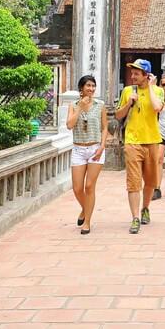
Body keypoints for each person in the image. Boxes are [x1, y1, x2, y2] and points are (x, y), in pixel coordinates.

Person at [115, 58, 164, 233]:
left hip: (152, 140)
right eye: (132, 72)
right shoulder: (128, 91)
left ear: (146, 75)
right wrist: (129, 103)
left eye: (137, 73)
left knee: (150, 181)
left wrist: (150, 86)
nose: (133, 76)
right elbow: (118, 115)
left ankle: (145, 208)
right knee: (133, 182)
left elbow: (157, 107)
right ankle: (135, 217)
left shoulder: (157, 91)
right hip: (132, 141)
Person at [67, 74, 107, 234]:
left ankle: (87, 222)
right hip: (78, 149)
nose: (91, 89)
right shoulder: (73, 105)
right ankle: (85, 209)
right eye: (88, 86)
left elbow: (105, 127)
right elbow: (70, 125)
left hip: (95, 149)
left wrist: (102, 146)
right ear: (81, 89)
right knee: (77, 188)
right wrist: (80, 108)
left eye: (93, 86)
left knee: (89, 186)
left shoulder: (100, 105)